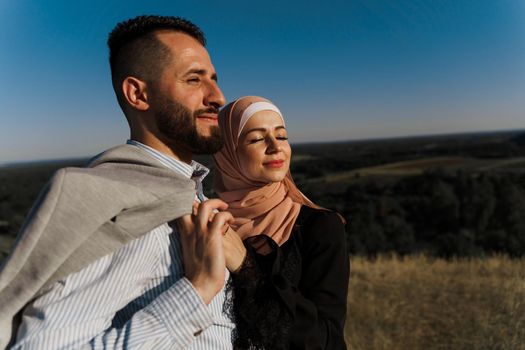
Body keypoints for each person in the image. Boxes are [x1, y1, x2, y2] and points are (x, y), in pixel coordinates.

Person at [0, 15, 236, 349]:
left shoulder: (185, 193)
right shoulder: (123, 212)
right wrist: (195, 292)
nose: (218, 96)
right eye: (194, 80)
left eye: (214, 79)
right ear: (138, 94)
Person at [212, 96, 350, 349]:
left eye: (282, 136)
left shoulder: (320, 228)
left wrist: (245, 266)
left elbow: (326, 341)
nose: (276, 147)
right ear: (226, 153)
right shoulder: (210, 222)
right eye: (256, 138)